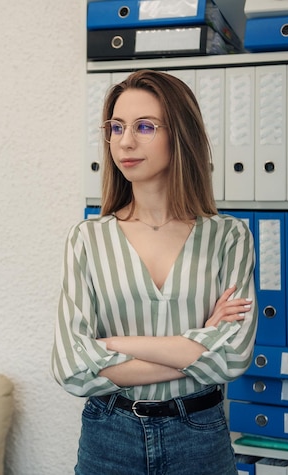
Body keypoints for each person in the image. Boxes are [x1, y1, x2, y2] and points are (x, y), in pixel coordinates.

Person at [51, 69, 258, 475]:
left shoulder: (229, 236)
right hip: (109, 434)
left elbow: (234, 355)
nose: (125, 141)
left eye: (145, 126)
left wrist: (114, 343)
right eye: (116, 127)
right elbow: (71, 368)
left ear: (179, 135)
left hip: (199, 434)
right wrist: (196, 347)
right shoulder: (87, 238)